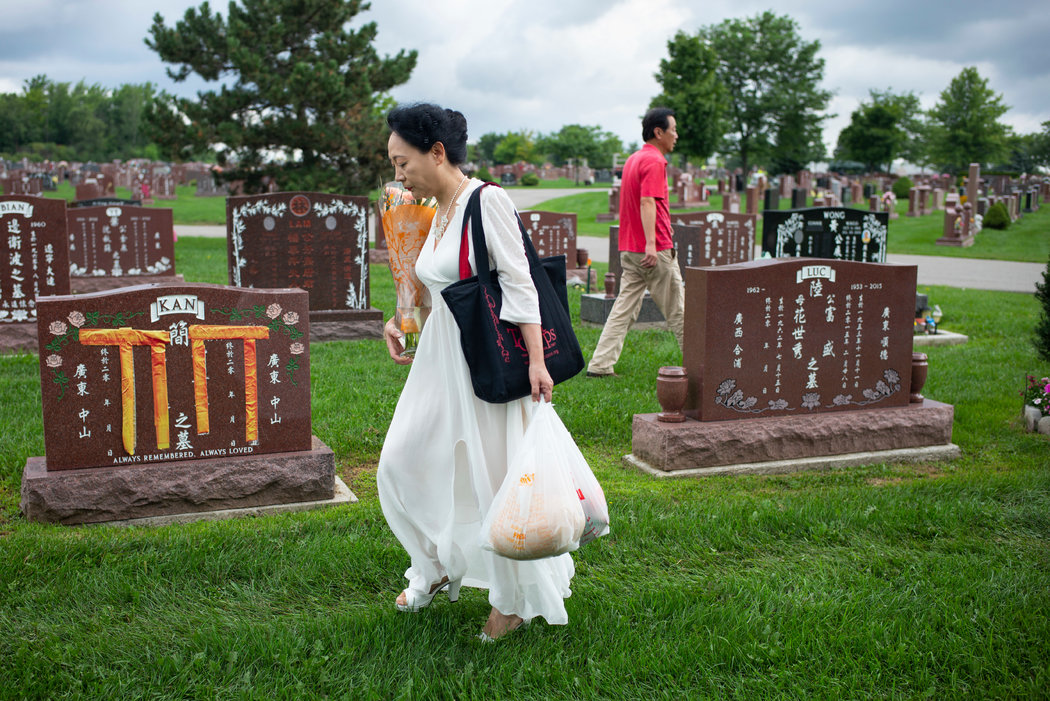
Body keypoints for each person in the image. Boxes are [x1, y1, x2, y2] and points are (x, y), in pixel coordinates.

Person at [377, 103, 574, 642]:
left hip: (486, 360)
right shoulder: (433, 208)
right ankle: (435, 564)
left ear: (436, 153)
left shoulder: (487, 201)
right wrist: (399, 321)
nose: (398, 174)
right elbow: (436, 285)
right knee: (400, 459)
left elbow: (519, 282)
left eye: (402, 161)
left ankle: (510, 601)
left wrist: (536, 361)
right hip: (440, 355)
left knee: (492, 479)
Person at [586, 107, 684, 377]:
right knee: (679, 311)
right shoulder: (654, 161)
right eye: (673, 130)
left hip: (629, 249)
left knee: (623, 309)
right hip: (653, 251)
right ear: (658, 132)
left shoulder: (633, 159)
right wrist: (652, 245)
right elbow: (646, 201)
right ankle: (701, 367)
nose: (676, 135)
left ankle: (600, 365)